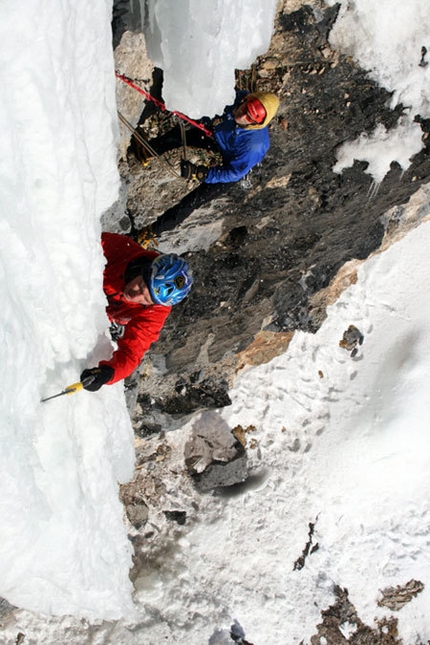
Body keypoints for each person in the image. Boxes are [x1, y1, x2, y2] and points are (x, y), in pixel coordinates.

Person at [132, 90, 279, 242]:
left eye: (249, 117)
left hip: (234, 165)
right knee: (183, 135)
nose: (241, 116)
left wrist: (201, 174)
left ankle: (150, 233)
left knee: (193, 201)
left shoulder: (253, 146)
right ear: (246, 100)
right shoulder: (235, 96)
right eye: (244, 109)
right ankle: (147, 150)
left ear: (256, 124)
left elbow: (233, 173)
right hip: (219, 138)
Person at [80, 232, 193, 391]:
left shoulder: (156, 310)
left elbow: (132, 354)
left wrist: (109, 373)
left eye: (145, 300)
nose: (135, 296)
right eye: (140, 285)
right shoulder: (118, 248)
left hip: (102, 314)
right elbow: (77, 243)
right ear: (141, 270)